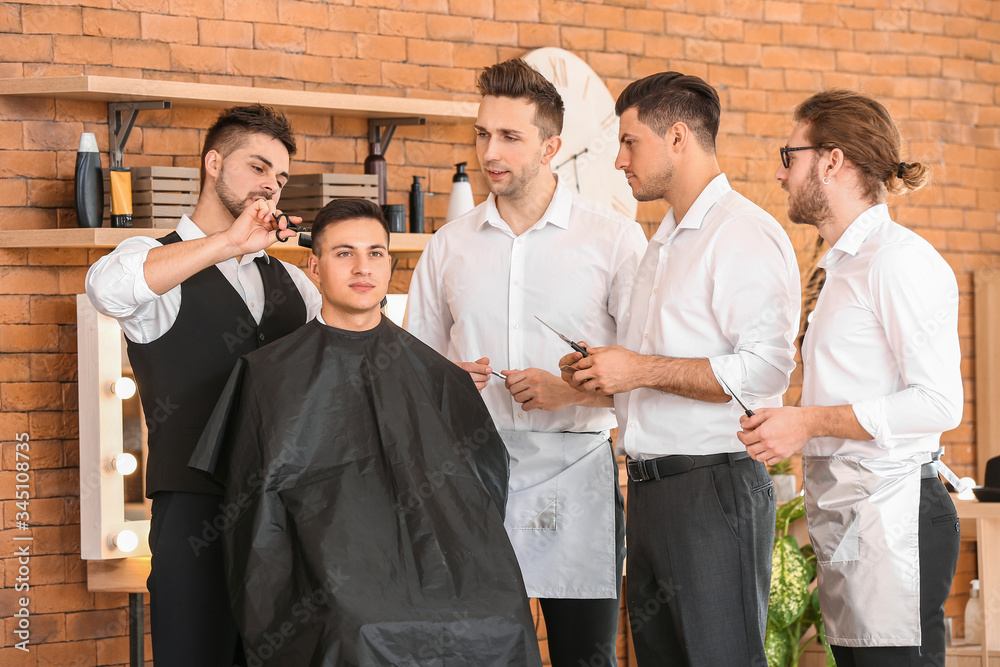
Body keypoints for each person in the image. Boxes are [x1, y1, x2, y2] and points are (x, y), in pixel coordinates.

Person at [190, 198, 542, 666]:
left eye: (375, 253)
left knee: (505, 619)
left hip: (449, 578)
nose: (363, 267)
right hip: (332, 581)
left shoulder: (438, 375)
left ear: (390, 265)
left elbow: (482, 493)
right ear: (314, 266)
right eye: (344, 253)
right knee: (356, 629)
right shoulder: (267, 375)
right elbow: (255, 525)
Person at [405, 59, 647, 666]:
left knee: (584, 657)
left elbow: (650, 372)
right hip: (470, 478)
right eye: (483, 134)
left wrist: (574, 393)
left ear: (553, 146)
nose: (491, 150)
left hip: (579, 477)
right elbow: (414, 373)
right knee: (475, 653)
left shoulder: (614, 240)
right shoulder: (448, 245)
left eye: (510, 136)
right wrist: (451, 384)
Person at [561, 72, 800, 666]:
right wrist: (601, 375)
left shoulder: (743, 234)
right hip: (648, 494)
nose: (618, 160)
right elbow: (650, 376)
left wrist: (637, 368)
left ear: (676, 138)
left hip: (712, 491)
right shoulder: (663, 242)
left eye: (629, 142)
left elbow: (764, 374)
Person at [85, 104, 321, 666]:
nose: (271, 186)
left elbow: (343, 360)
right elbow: (106, 290)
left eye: (281, 178)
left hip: (285, 512)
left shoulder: (291, 281)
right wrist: (228, 244)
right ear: (213, 163)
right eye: (258, 168)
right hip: (194, 512)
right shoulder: (151, 260)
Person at [737, 89, 963, 667]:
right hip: (854, 519)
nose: (782, 174)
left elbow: (939, 403)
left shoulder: (897, 261)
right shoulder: (838, 268)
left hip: (897, 521)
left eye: (790, 155)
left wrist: (806, 422)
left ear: (832, 161)